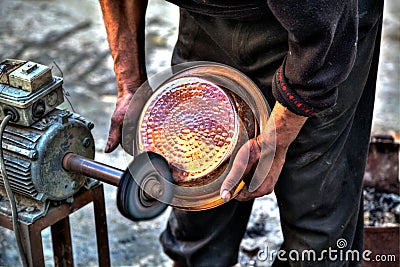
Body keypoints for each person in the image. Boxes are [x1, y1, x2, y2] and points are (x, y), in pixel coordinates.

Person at [99, 0, 384, 266]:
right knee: (197, 189)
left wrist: (277, 139)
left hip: (325, 30)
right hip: (209, 16)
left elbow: (324, 35)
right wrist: (130, 84)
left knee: (317, 228)